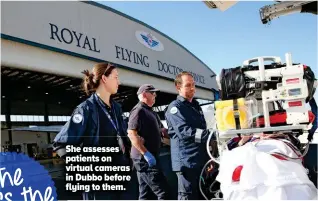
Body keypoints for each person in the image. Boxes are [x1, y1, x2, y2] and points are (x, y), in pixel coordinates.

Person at [53, 63, 131, 200]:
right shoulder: (86, 109)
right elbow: (61, 144)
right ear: (105, 79)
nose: (119, 81)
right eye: (116, 77)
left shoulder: (117, 109)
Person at [165, 72, 212, 200]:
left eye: (193, 85)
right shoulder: (175, 108)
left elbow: (201, 131)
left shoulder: (196, 106)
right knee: (188, 197)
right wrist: (210, 135)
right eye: (188, 85)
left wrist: (208, 157)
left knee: (202, 194)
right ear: (178, 87)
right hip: (186, 162)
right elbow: (185, 132)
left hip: (200, 160)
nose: (192, 88)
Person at [127, 84, 170, 200]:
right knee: (164, 192)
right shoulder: (138, 110)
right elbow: (131, 133)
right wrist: (145, 153)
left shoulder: (152, 112)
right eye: (153, 93)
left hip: (151, 157)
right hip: (144, 159)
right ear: (145, 94)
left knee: (146, 194)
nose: (155, 95)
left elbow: (162, 130)